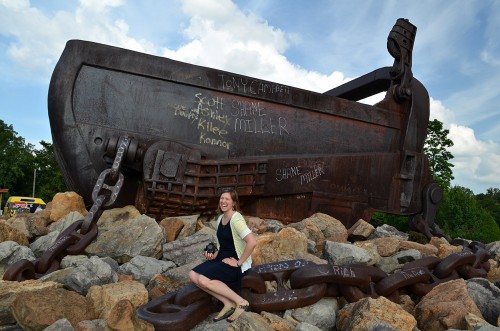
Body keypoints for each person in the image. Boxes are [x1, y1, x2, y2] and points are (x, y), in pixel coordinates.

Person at [189, 188, 256, 323]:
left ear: (234, 203)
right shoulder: (220, 219)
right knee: (192, 275)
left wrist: (238, 262)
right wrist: (214, 255)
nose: (223, 201)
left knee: (203, 280)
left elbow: (252, 242)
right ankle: (228, 303)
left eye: (227, 199)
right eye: (222, 198)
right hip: (222, 258)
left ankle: (241, 302)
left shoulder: (236, 219)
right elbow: (223, 245)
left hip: (234, 262)